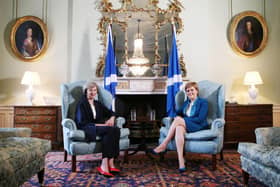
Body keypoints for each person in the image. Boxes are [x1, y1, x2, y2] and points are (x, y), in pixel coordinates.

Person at [151, 82, 208, 173]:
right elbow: (178, 112)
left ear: (197, 91)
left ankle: (164, 144)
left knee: (178, 120)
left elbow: (201, 118)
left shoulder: (203, 102)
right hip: (187, 124)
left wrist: (182, 120)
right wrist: (176, 115)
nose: (190, 92)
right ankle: (181, 161)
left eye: (192, 90)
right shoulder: (186, 103)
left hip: (198, 125)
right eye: (187, 91)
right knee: (178, 128)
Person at [75, 81, 121, 177]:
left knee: (115, 129)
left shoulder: (97, 103)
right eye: (90, 90)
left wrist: (112, 118)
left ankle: (111, 163)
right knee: (111, 130)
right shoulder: (81, 103)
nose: (93, 92)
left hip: (99, 127)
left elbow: (112, 112)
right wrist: (102, 125)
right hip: (88, 127)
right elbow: (81, 122)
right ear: (86, 91)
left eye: (95, 90)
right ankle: (104, 164)